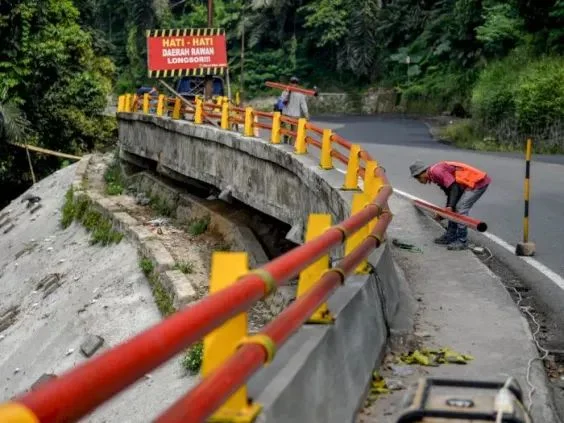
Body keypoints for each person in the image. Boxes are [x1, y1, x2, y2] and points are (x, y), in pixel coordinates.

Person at [409, 160, 491, 250]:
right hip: (467, 184)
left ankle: (462, 241)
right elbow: (450, 192)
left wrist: (449, 207)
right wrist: (448, 209)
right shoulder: (434, 175)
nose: (418, 181)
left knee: (460, 208)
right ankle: (451, 235)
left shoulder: (436, 171)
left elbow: (454, 187)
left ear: (421, 173)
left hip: (477, 182)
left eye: (417, 178)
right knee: (454, 207)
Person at [280, 76, 310, 144]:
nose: (294, 84)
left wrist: (306, 114)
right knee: (287, 131)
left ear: (297, 84)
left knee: (294, 133)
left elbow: (303, 104)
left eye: (295, 82)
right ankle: (285, 142)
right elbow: (282, 102)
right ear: (289, 83)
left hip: (296, 116)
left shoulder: (300, 93)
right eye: (292, 82)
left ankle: (291, 146)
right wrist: (287, 93)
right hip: (286, 115)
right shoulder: (285, 92)